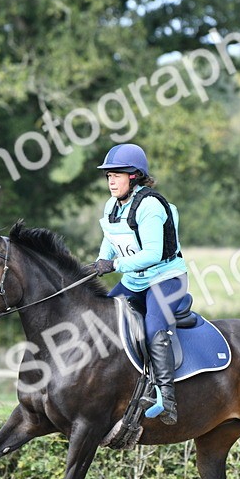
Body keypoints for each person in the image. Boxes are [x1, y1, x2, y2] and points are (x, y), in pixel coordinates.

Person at [88, 143, 189, 425]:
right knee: (101, 317)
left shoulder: (151, 206)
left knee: (154, 327)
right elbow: (112, 237)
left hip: (167, 280)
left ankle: (167, 398)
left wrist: (115, 265)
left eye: (117, 174)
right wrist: (100, 262)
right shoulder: (113, 205)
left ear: (134, 176)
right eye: (108, 175)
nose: (110, 180)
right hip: (135, 282)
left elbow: (152, 255)